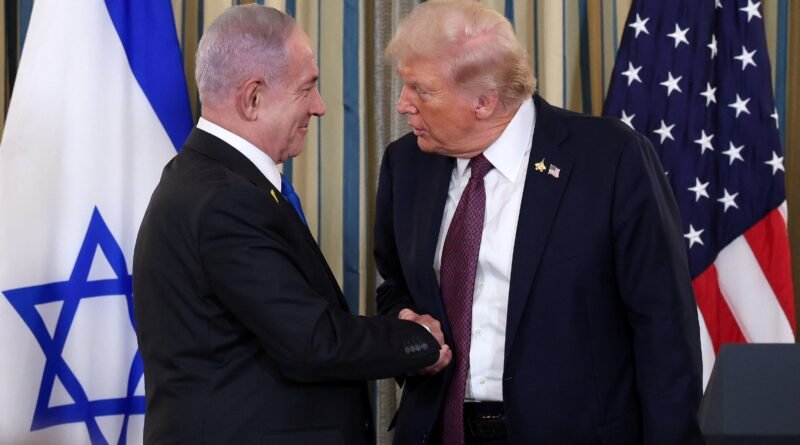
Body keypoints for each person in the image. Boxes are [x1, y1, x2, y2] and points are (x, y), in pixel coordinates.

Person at [374, 1, 704, 444]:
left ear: (483, 101)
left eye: (421, 90)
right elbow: (394, 284)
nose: (402, 105)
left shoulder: (609, 158)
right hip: (438, 431)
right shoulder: (406, 164)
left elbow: (663, 326)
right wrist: (406, 323)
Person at [133, 5, 451, 444]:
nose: (319, 108)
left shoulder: (210, 181)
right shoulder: (225, 200)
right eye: (307, 88)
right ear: (253, 98)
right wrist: (418, 338)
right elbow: (313, 342)